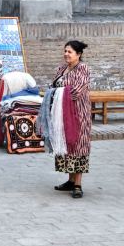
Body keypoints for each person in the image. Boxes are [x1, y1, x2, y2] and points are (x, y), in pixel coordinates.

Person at [52, 40, 92, 199]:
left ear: (79, 54)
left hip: (78, 114)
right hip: (61, 113)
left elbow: (77, 91)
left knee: (78, 146)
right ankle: (69, 180)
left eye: (69, 52)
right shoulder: (61, 69)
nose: (66, 54)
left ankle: (78, 184)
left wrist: (59, 92)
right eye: (65, 51)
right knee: (66, 144)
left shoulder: (83, 69)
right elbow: (53, 86)